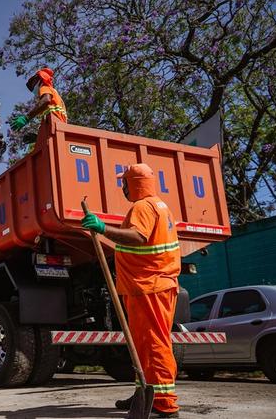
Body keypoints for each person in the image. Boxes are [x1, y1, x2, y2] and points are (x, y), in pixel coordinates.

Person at [81, 163, 180, 418]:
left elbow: (138, 236)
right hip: (151, 286)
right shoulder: (159, 205)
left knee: (153, 344)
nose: (122, 188)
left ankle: (165, 403)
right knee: (144, 346)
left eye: (123, 182)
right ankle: (144, 393)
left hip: (149, 286)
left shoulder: (143, 207)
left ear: (135, 183)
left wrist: (102, 229)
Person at [10, 67, 68, 132]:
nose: (32, 87)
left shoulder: (44, 87)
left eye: (33, 83)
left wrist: (26, 118)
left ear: (40, 79)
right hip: (60, 127)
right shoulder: (55, 93)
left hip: (54, 123)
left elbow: (46, 100)